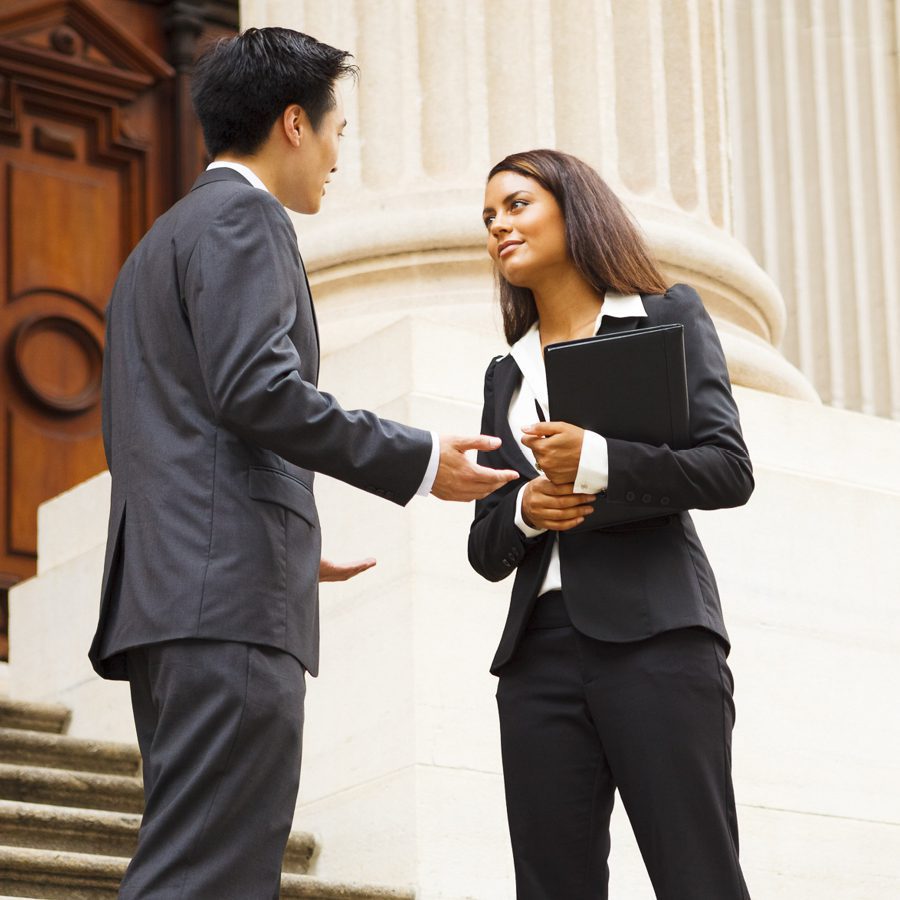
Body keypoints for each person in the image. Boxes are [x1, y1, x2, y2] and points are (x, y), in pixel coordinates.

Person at [88, 28, 518, 899]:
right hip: (224, 606)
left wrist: (273, 531)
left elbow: (174, 430)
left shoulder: (154, 247)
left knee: (195, 862)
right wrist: (419, 456)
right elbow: (258, 389)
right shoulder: (247, 220)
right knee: (211, 876)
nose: (334, 155)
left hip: (178, 593)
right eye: (336, 132)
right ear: (293, 123)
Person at [468, 148, 754, 899]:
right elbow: (485, 541)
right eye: (489, 216)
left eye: (517, 204)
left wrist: (596, 460)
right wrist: (527, 511)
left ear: (575, 208)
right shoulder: (507, 372)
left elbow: (728, 468)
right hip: (536, 661)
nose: (499, 225)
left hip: (659, 640)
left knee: (699, 878)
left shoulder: (665, 316)